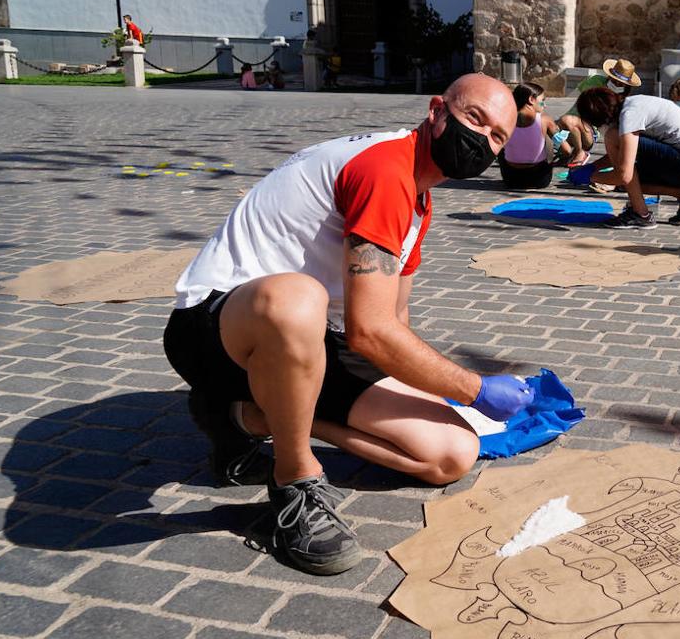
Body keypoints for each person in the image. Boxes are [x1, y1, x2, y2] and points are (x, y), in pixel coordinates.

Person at [163, 73, 528, 576]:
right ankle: (294, 481)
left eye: (497, 138)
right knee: (298, 298)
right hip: (218, 330)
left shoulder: (420, 204)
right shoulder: (385, 170)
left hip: (311, 340)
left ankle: (244, 418)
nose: (482, 141)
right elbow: (370, 331)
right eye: (474, 119)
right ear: (436, 110)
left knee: (451, 454)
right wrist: (474, 388)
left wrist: (434, 395)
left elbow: (394, 323)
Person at [575, 87, 680, 228]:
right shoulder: (631, 104)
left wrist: (591, 176)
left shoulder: (629, 115)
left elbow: (623, 175)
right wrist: (594, 166)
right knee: (632, 182)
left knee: (613, 139)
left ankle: (640, 214)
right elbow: (623, 152)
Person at [558, 57, 642, 167]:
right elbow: (577, 95)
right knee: (555, 138)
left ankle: (580, 152)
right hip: (571, 123)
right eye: (614, 80)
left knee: (568, 120)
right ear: (609, 76)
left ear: (626, 85)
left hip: (589, 130)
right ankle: (569, 152)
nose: (616, 85)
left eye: (620, 84)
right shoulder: (594, 81)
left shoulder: (622, 101)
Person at [498, 81, 560, 189]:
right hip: (539, 180)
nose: (544, 105)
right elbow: (567, 150)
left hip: (511, 180)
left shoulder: (504, 118)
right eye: (542, 101)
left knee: (501, 143)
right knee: (547, 137)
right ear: (531, 100)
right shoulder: (544, 119)